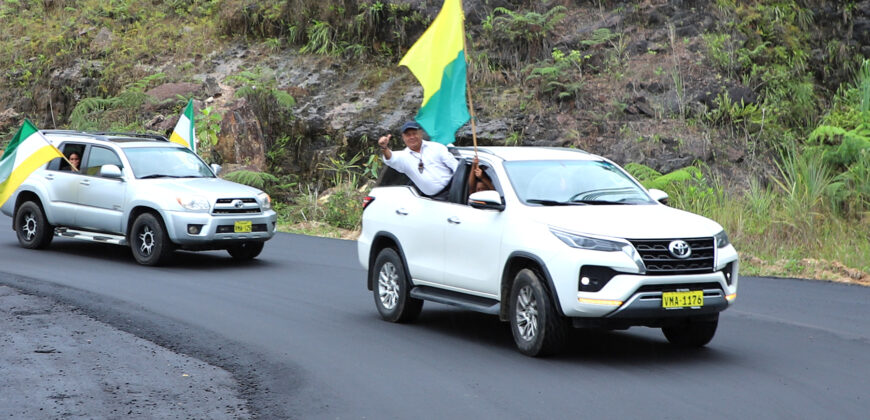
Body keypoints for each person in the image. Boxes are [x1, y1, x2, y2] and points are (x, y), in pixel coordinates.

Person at [378, 121, 458, 200]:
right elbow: (391, 158)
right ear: (403, 138)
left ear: (421, 133)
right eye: (408, 135)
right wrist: (384, 148)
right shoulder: (403, 157)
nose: (412, 137)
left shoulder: (436, 147)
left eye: (414, 133)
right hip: (437, 200)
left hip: (458, 189)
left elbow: (456, 167)